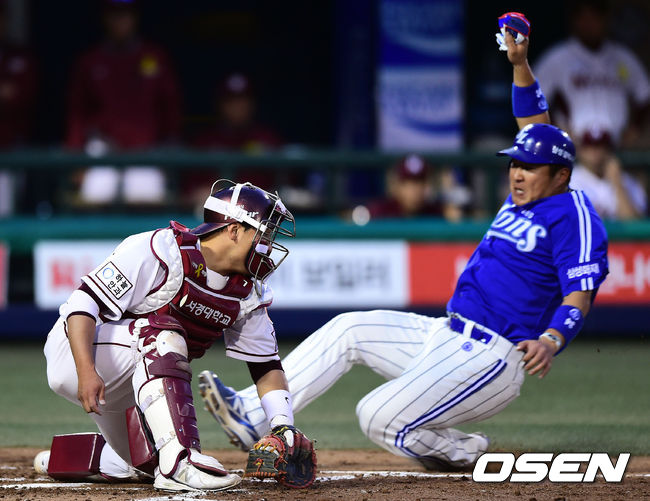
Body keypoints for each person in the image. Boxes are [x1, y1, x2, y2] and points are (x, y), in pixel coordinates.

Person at [198, 14, 609, 471]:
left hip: (495, 356)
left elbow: (580, 291)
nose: (517, 172)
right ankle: (253, 417)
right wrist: (519, 64)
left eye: (529, 167)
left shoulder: (574, 215)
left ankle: (469, 452)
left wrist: (551, 339)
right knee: (349, 330)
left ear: (560, 175)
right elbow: (536, 129)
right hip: (446, 332)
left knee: (376, 417)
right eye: (515, 163)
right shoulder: (528, 190)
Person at [34, 180, 305, 492]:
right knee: (162, 334)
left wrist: (282, 425)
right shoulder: (161, 250)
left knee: (148, 463)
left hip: (131, 385)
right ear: (234, 230)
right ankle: (181, 463)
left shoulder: (246, 291)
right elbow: (82, 305)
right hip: (77, 356)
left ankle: (60, 459)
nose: (268, 245)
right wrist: (85, 370)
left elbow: (266, 365)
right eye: (264, 234)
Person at [65, 0, 182, 204]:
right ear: (105, 19)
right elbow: (78, 113)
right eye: (115, 15)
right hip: (103, 148)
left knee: (148, 200)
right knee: (94, 197)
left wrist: (169, 152)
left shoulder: (154, 57)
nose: (120, 21)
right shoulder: (91, 61)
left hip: (146, 150)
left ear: (135, 18)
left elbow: (170, 109)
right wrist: (77, 160)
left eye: (125, 15)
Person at [534, 0, 650, 147]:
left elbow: (644, 95)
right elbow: (532, 100)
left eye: (594, 18)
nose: (589, 25)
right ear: (574, 21)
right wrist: (555, 129)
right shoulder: (557, 58)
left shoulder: (623, 57)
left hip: (616, 148)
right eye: (584, 19)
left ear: (605, 20)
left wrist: (635, 128)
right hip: (573, 148)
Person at [360, 154, 469, 222]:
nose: (415, 190)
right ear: (397, 186)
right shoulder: (380, 212)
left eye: (420, 183)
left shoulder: (437, 212)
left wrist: (454, 218)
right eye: (408, 183)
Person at [570, 128, 647, 219]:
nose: (595, 152)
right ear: (580, 151)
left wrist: (617, 184)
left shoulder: (628, 181)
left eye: (600, 146)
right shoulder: (570, 180)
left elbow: (634, 223)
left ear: (610, 150)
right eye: (590, 146)